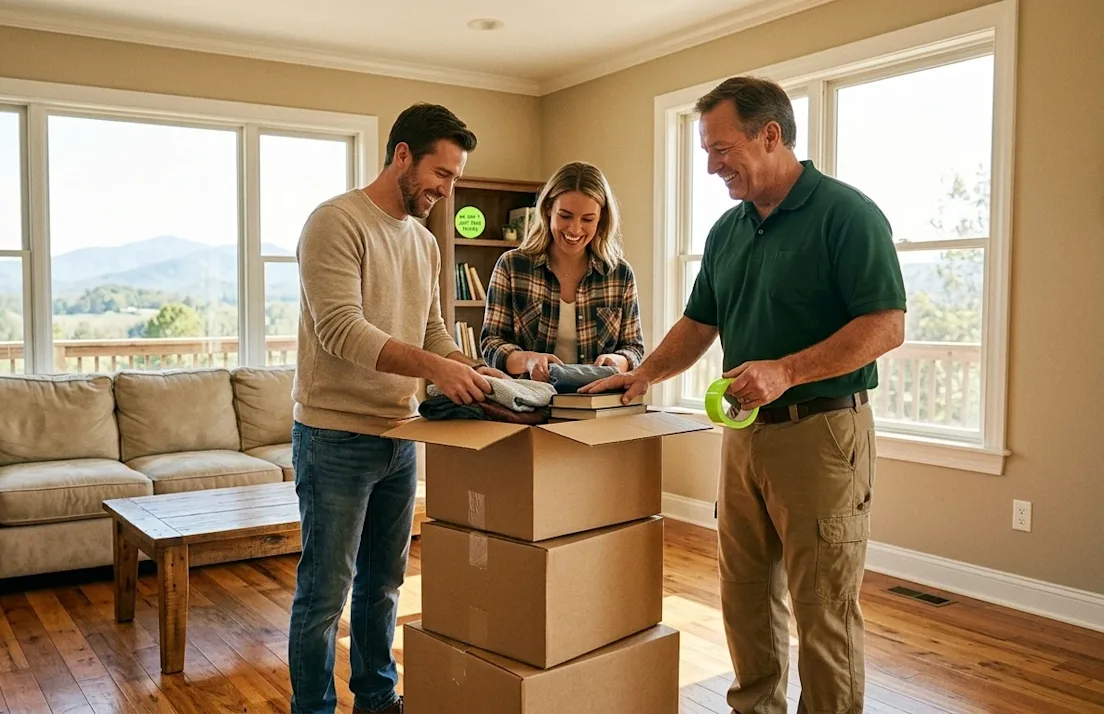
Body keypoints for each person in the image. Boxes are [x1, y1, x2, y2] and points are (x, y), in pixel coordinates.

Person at [583, 76, 906, 714]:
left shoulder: (847, 214)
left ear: (771, 135)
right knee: (746, 591)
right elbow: (701, 323)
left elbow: (886, 325)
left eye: (722, 148)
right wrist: (646, 373)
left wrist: (786, 371)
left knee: (824, 608)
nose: (711, 166)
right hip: (745, 432)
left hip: (822, 434)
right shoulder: (729, 230)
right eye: (706, 151)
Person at [289, 102, 507, 714]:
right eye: (442, 173)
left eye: (456, 176)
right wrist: (436, 369)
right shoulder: (335, 222)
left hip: (400, 435)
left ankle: (377, 700)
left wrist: (467, 365)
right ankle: (312, 708)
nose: (448, 188)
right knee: (324, 594)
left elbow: (434, 329)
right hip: (333, 438)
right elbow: (340, 330)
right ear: (402, 156)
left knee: (383, 587)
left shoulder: (425, 242)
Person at [478, 161, 644, 384]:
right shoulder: (512, 266)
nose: (575, 229)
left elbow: (634, 348)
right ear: (548, 210)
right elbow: (492, 343)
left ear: (601, 219)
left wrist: (617, 361)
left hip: (597, 401)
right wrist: (528, 360)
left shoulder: (620, 274)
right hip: (529, 400)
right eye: (565, 216)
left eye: (587, 219)